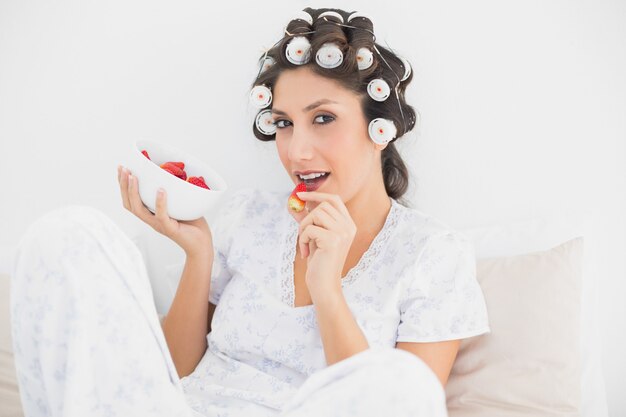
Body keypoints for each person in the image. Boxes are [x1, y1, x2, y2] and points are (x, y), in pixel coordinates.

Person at [10, 7, 490, 417]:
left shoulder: (433, 254)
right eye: (284, 124)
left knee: (406, 384)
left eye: (323, 118)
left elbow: (397, 404)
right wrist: (199, 254)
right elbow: (173, 371)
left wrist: (327, 287)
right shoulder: (248, 217)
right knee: (68, 233)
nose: (297, 151)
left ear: (378, 128)